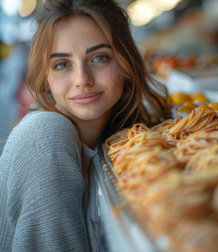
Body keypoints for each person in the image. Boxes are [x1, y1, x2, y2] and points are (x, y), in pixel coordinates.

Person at [0, 0, 167, 251]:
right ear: (46, 79)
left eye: (99, 58)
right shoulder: (46, 135)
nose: (82, 80)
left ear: (125, 63)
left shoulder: (118, 141)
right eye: (62, 64)